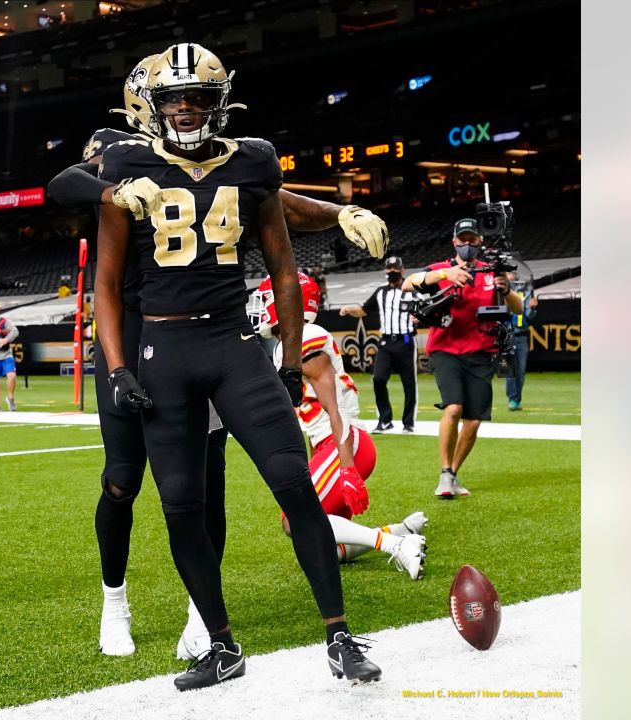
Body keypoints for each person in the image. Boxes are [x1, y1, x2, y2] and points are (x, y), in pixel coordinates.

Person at [46, 53, 391, 662]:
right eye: (171, 96)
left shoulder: (240, 160)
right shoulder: (122, 157)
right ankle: (116, 601)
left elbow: (272, 205)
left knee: (210, 481)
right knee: (126, 480)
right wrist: (115, 188)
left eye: (198, 96)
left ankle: (203, 620)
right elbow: (63, 186)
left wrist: (342, 212)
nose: (185, 107)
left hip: (214, 333)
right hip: (138, 334)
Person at [250, 273, 428, 579]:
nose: (263, 305)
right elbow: (312, 416)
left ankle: (396, 545)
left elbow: (336, 409)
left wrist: (345, 467)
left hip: (345, 445)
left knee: (295, 521)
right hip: (332, 446)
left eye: (268, 298)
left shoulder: (304, 336)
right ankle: (401, 531)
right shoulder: (291, 343)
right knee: (319, 548)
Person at [402, 218, 522, 498]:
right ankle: (444, 474)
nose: (467, 245)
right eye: (462, 240)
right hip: (445, 348)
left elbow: (517, 307)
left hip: (481, 349)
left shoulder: (491, 272)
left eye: (472, 240)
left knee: (474, 420)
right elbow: (409, 283)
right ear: (454, 242)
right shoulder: (442, 269)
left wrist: (505, 289)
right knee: (453, 407)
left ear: (480, 241)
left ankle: (453, 474)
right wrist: (445, 275)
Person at [338, 255, 420, 433]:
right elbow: (363, 310)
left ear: (402, 271)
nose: (392, 272)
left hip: (405, 340)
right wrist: (349, 309)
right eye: (389, 269)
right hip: (385, 342)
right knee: (378, 378)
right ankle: (384, 420)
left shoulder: (412, 291)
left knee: (409, 383)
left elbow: (425, 309)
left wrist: (419, 318)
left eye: (395, 269)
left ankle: (408, 423)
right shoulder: (380, 292)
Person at [505, 272, 540, 411]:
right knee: (511, 370)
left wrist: (532, 308)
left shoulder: (524, 294)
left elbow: (530, 318)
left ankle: (517, 399)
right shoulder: (501, 295)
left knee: (521, 371)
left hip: (523, 336)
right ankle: (512, 399)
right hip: (508, 336)